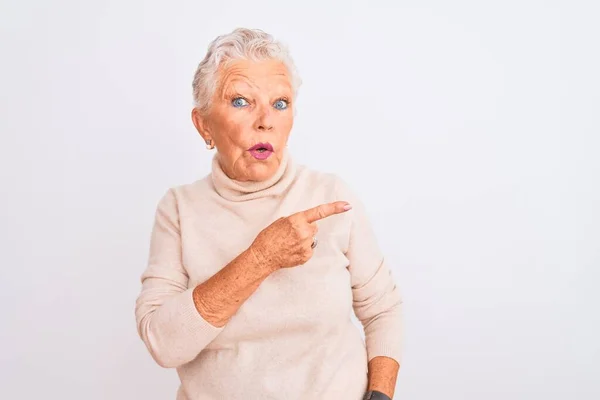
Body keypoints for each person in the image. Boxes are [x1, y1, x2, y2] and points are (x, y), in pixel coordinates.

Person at [134, 27, 403, 400]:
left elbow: (383, 310)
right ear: (204, 125)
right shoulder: (179, 210)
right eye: (242, 101)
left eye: (280, 103)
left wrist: (380, 395)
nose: (266, 121)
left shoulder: (330, 195)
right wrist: (261, 258)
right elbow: (163, 344)